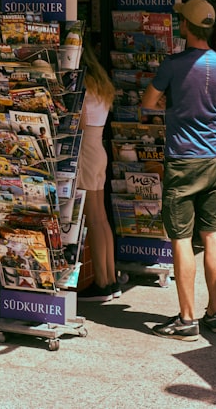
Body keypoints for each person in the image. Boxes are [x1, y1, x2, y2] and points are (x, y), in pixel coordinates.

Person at [141, 0, 216, 342]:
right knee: (212, 233)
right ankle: (215, 311)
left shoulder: (173, 65)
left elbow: (148, 103)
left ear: (186, 27)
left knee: (181, 239)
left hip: (182, 160)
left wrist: (172, 105)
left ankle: (187, 318)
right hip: (213, 158)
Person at [75, 43, 121, 302]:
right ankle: (110, 279)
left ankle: (102, 283)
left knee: (93, 218)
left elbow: (79, 122)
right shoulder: (101, 84)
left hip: (87, 152)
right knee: (102, 218)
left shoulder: (82, 85)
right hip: (99, 147)